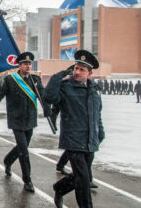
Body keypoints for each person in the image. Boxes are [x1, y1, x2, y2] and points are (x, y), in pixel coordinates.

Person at [44, 50, 105, 208]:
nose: (77, 72)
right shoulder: (65, 87)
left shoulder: (94, 90)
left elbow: (96, 115)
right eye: (76, 68)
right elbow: (49, 97)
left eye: (81, 70)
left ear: (89, 73)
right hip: (73, 140)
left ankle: (59, 189)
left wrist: (100, 132)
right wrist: (59, 75)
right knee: (84, 180)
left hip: (90, 141)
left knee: (79, 176)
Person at [0, 52, 49, 192]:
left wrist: (48, 109)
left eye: (30, 63)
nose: (28, 66)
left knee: (21, 147)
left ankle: (8, 160)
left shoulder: (35, 80)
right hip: (16, 119)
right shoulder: (11, 80)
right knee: (24, 150)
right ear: (19, 65)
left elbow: (43, 97)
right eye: (25, 63)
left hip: (30, 119)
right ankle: (27, 180)